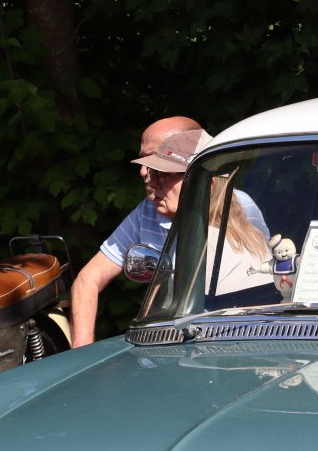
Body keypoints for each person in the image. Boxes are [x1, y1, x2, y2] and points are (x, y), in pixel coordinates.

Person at [70, 115, 268, 346]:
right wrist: (80, 349)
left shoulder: (233, 218)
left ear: (204, 182)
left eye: (161, 170)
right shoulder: (149, 210)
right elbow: (88, 279)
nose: (145, 174)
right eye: (147, 164)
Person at [133, 129, 276, 303]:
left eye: (166, 175)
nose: (153, 183)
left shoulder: (203, 242)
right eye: (154, 174)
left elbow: (182, 323)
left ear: (208, 185)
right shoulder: (241, 233)